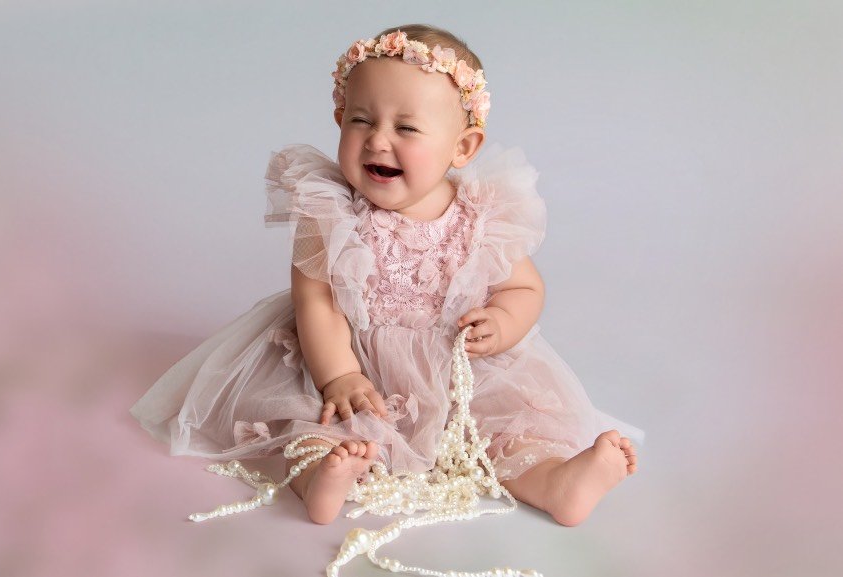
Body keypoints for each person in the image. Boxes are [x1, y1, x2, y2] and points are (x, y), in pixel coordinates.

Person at [131, 24, 644, 528]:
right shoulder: (328, 210)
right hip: (345, 357)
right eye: (360, 120)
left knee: (507, 429)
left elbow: (525, 287)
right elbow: (317, 302)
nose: (378, 141)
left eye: (407, 128)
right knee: (312, 422)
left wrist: (503, 322)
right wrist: (340, 376)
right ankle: (322, 479)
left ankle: (556, 482)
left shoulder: (482, 216)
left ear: (462, 148)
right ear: (338, 120)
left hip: (453, 371)